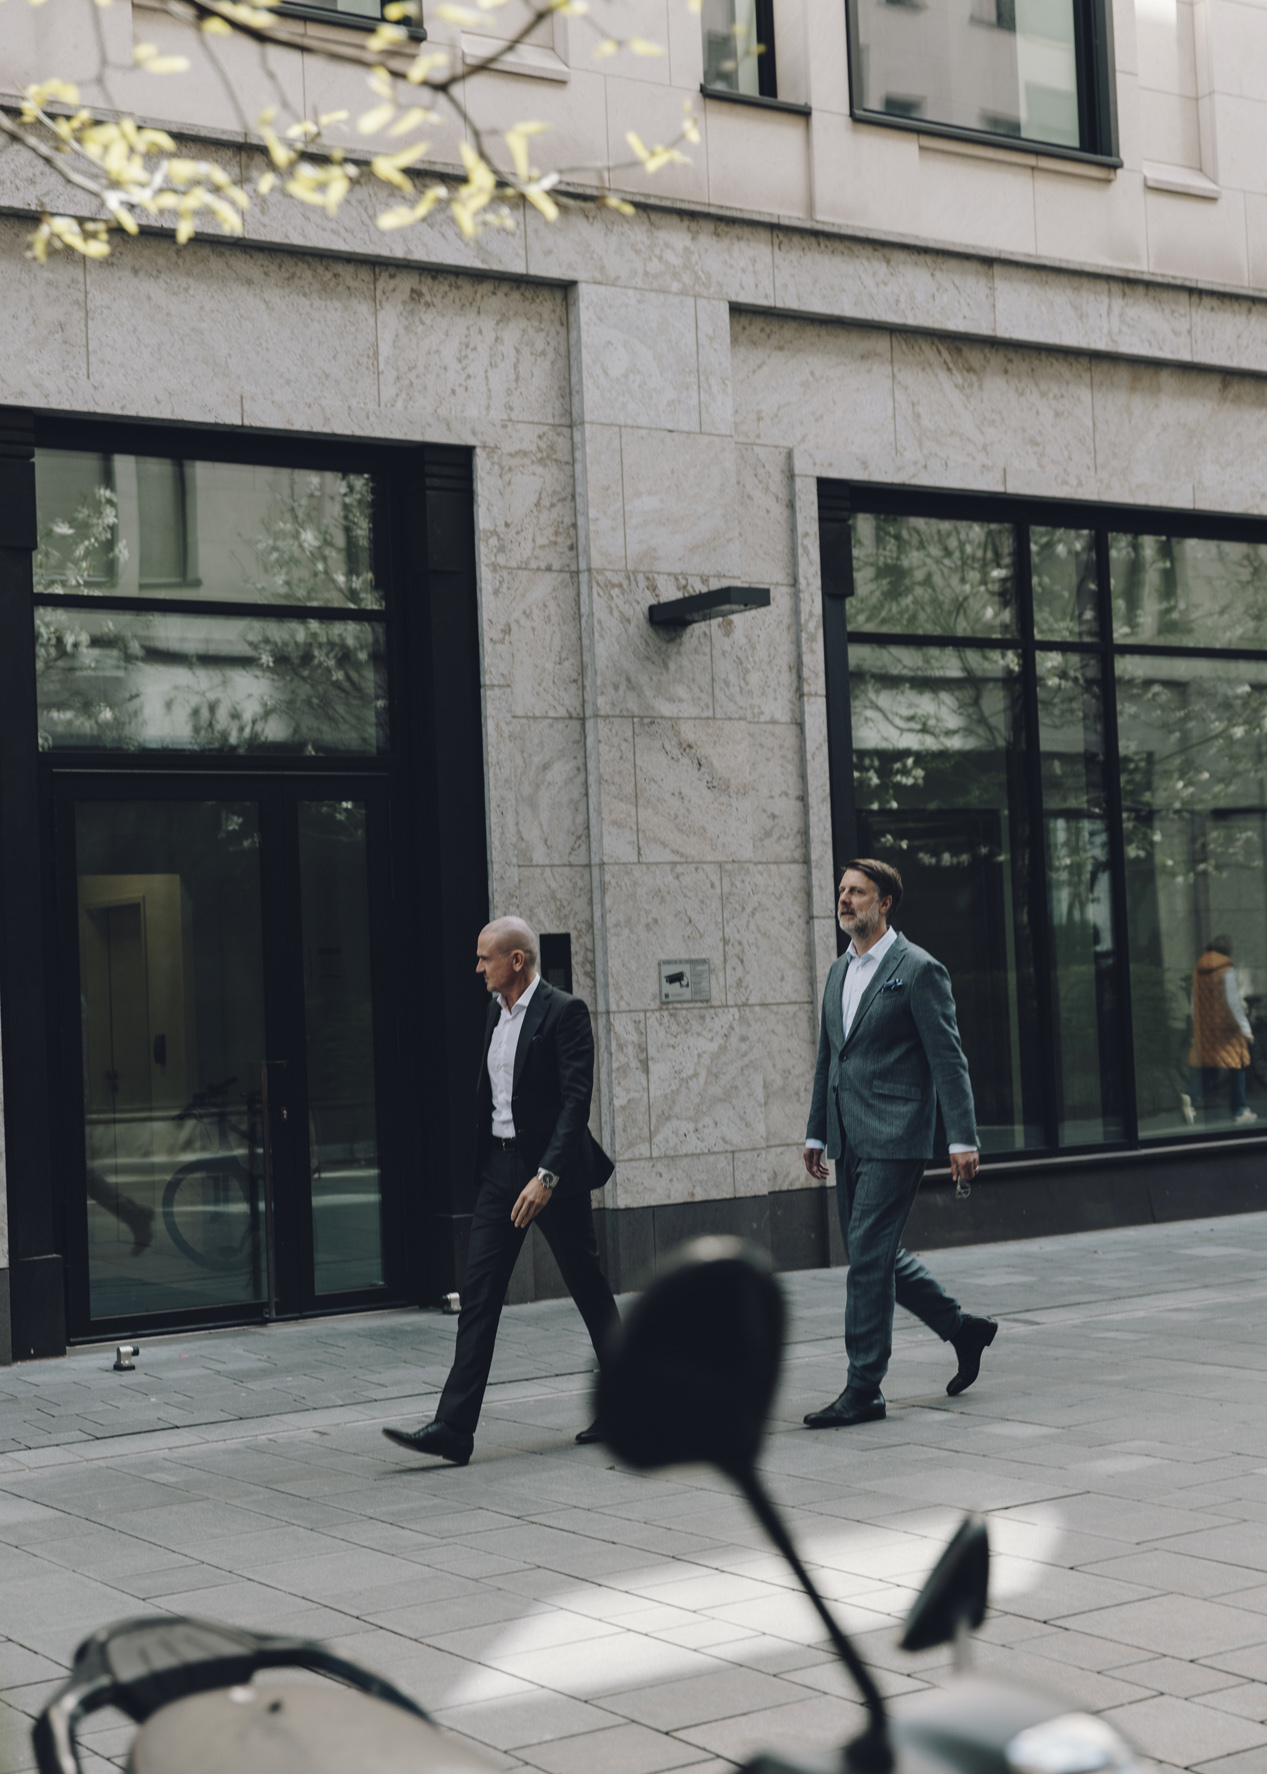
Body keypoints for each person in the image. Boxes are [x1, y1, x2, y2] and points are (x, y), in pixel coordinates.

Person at [383, 917, 619, 1466]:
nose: (477, 967)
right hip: (498, 1173)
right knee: (479, 1296)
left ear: (517, 961)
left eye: (485, 958)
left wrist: (548, 1177)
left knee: (587, 1286)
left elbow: (573, 1104)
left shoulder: (564, 1011)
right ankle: (453, 1429)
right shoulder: (495, 1010)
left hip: (549, 1178)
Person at [802, 860, 997, 1428]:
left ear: (885, 903)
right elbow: (827, 1059)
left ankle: (864, 1389)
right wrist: (817, 1128)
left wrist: (962, 1137)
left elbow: (948, 1059)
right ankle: (964, 1329)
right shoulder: (839, 971)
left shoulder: (918, 970)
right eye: (841, 891)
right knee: (877, 1253)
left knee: (865, 1258)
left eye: (857, 892)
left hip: (897, 1133)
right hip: (847, 1134)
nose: (845, 900)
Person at [1183, 936, 1257, 1127]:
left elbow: (1194, 1003)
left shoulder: (1199, 969)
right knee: (1238, 1064)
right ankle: (1239, 1110)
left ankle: (1190, 1097)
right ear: (1228, 950)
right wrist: (1246, 1028)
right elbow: (1233, 1002)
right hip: (1226, 1027)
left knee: (1211, 1067)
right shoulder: (1226, 970)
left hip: (1207, 1027)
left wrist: (1196, 1028)